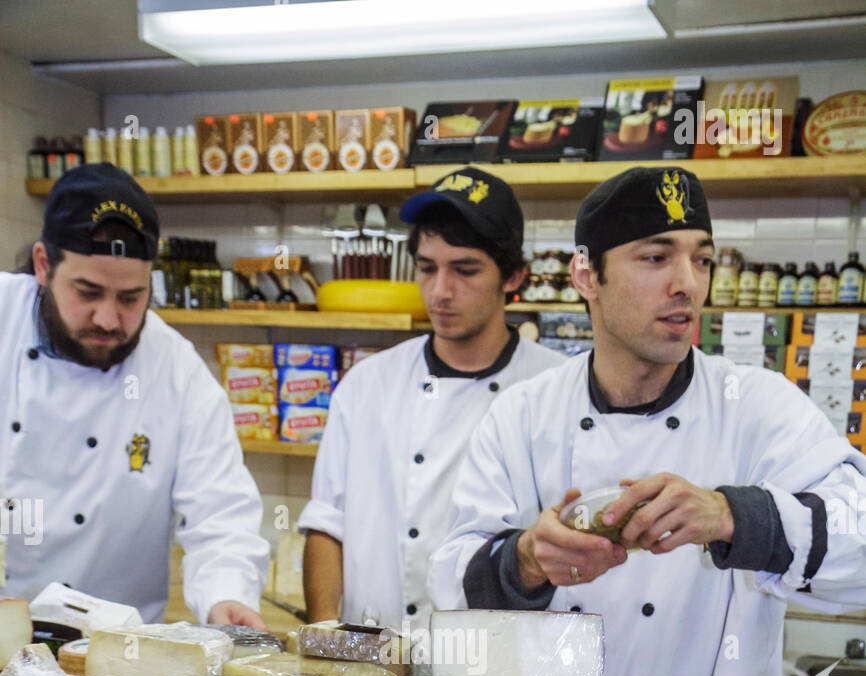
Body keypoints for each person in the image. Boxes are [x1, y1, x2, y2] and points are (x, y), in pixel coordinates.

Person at [430, 165, 866, 676]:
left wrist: (734, 516)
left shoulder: (760, 407)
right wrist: (527, 560)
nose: (688, 283)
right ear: (587, 275)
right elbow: (450, 586)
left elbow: (859, 545)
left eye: (702, 259)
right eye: (656, 258)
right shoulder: (523, 416)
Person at [0, 163, 269, 627]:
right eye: (88, 292)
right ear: (44, 265)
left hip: (117, 654)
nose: (107, 318)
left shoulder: (177, 371)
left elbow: (221, 513)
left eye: (130, 298)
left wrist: (227, 596)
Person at [299, 167, 563, 630]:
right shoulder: (367, 385)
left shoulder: (555, 389)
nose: (440, 292)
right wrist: (325, 637)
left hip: (501, 668)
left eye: (465, 270)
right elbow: (327, 524)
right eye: (427, 268)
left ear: (514, 275)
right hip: (374, 664)